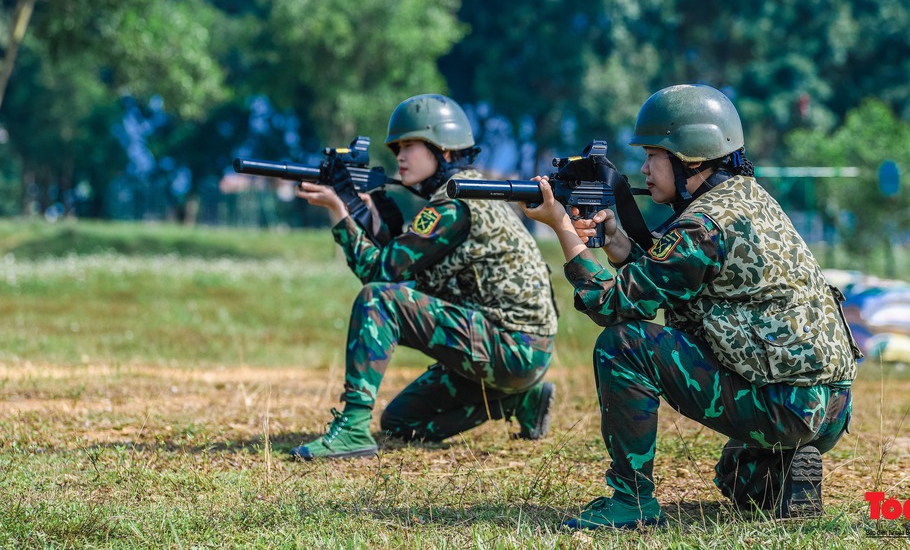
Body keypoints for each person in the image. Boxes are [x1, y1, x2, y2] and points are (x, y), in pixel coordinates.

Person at [522, 84, 862, 529]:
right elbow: (681, 278)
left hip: (783, 406)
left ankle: (631, 503)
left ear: (693, 156)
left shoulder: (703, 224)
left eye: (653, 156)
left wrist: (563, 229)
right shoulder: (749, 200)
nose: (643, 168)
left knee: (623, 345)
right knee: (736, 478)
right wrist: (622, 245)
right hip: (831, 409)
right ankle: (784, 475)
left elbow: (609, 305)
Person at [290, 94, 559, 459]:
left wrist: (339, 214)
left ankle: (352, 428)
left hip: (510, 346)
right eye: (397, 147)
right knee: (400, 423)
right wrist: (366, 214)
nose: (399, 155)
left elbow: (381, 276)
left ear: (444, 151)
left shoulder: (453, 204)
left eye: (410, 146)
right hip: (522, 352)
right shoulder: (468, 191)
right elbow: (413, 270)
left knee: (377, 299)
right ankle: (518, 401)